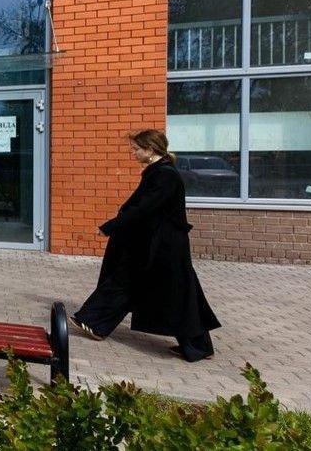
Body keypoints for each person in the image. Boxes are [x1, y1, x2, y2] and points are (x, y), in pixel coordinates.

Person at [71, 129, 221, 362]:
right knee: (143, 284)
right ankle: (95, 322)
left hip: (163, 246)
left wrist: (112, 226)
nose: (133, 153)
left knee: (173, 291)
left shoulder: (165, 176)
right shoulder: (158, 172)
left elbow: (145, 207)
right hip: (153, 242)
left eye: (136, 149)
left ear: (150, 150)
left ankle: (197, 345)